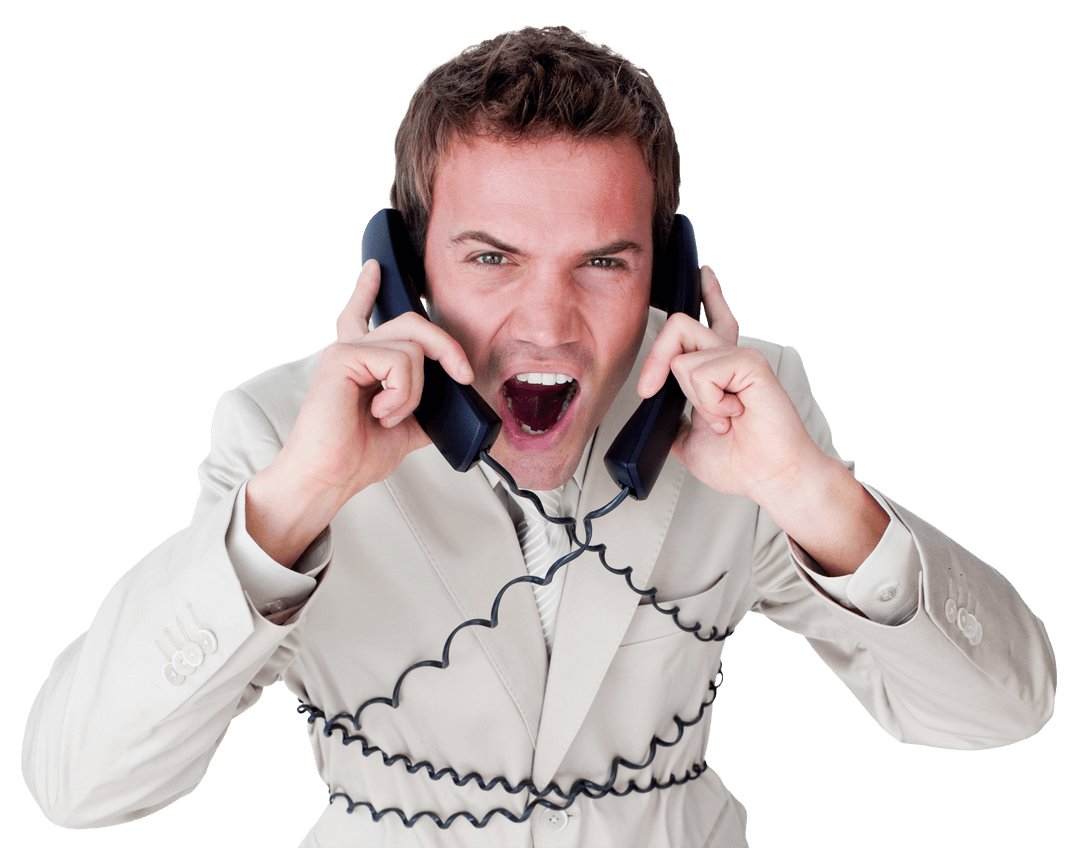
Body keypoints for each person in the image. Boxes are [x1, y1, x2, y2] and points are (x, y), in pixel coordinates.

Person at [21, 25, 1056, 848]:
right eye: (491, 257)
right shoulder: (284, 432)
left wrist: (808, 490)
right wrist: (294, 504)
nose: (549, 322)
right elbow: (77, 785)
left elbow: (1003, 710)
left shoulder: (747, 413)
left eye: (603, 262)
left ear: (672, 273)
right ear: (408, 269)